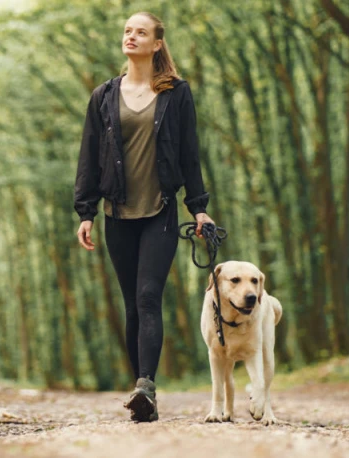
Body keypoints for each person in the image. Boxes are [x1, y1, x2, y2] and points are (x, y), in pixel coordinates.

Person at [73, 11, 214, 423]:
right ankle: (142, 394)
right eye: (127, 31)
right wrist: (86, 211)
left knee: (149, 296)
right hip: (117, 211)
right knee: (132, 306)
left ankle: (146, 386)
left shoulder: (176, 93)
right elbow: (88, 156)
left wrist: (199, 206)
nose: (131, 36)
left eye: (141, 32)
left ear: (157, 44)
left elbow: (190, 152)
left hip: (161, 211)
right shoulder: (103, 95)